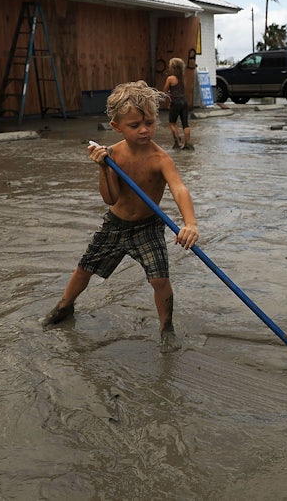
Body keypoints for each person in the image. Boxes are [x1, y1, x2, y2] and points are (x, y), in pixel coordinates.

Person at [41, 81, 200, 351]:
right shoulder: (112, 156)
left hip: (148, 227)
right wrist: (103, 169)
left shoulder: (160, 158)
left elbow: (179, 188)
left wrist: (190, 224)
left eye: (149, 122)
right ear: (117, 127)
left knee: (160, 279)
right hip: (115, 225)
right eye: (134, 125)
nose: (144, 130)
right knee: (85, 268)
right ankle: (64, 306)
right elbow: (110, 198)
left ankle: (166, 327)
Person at [162, 57, 193, 150]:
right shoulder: (182, 78)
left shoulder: (170, 78)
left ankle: (177, 142)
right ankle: (187, 143)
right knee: (185, 124)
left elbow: (165, 91)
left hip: (175, 102)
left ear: (173, 68)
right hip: (184, 101)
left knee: (172, 123)